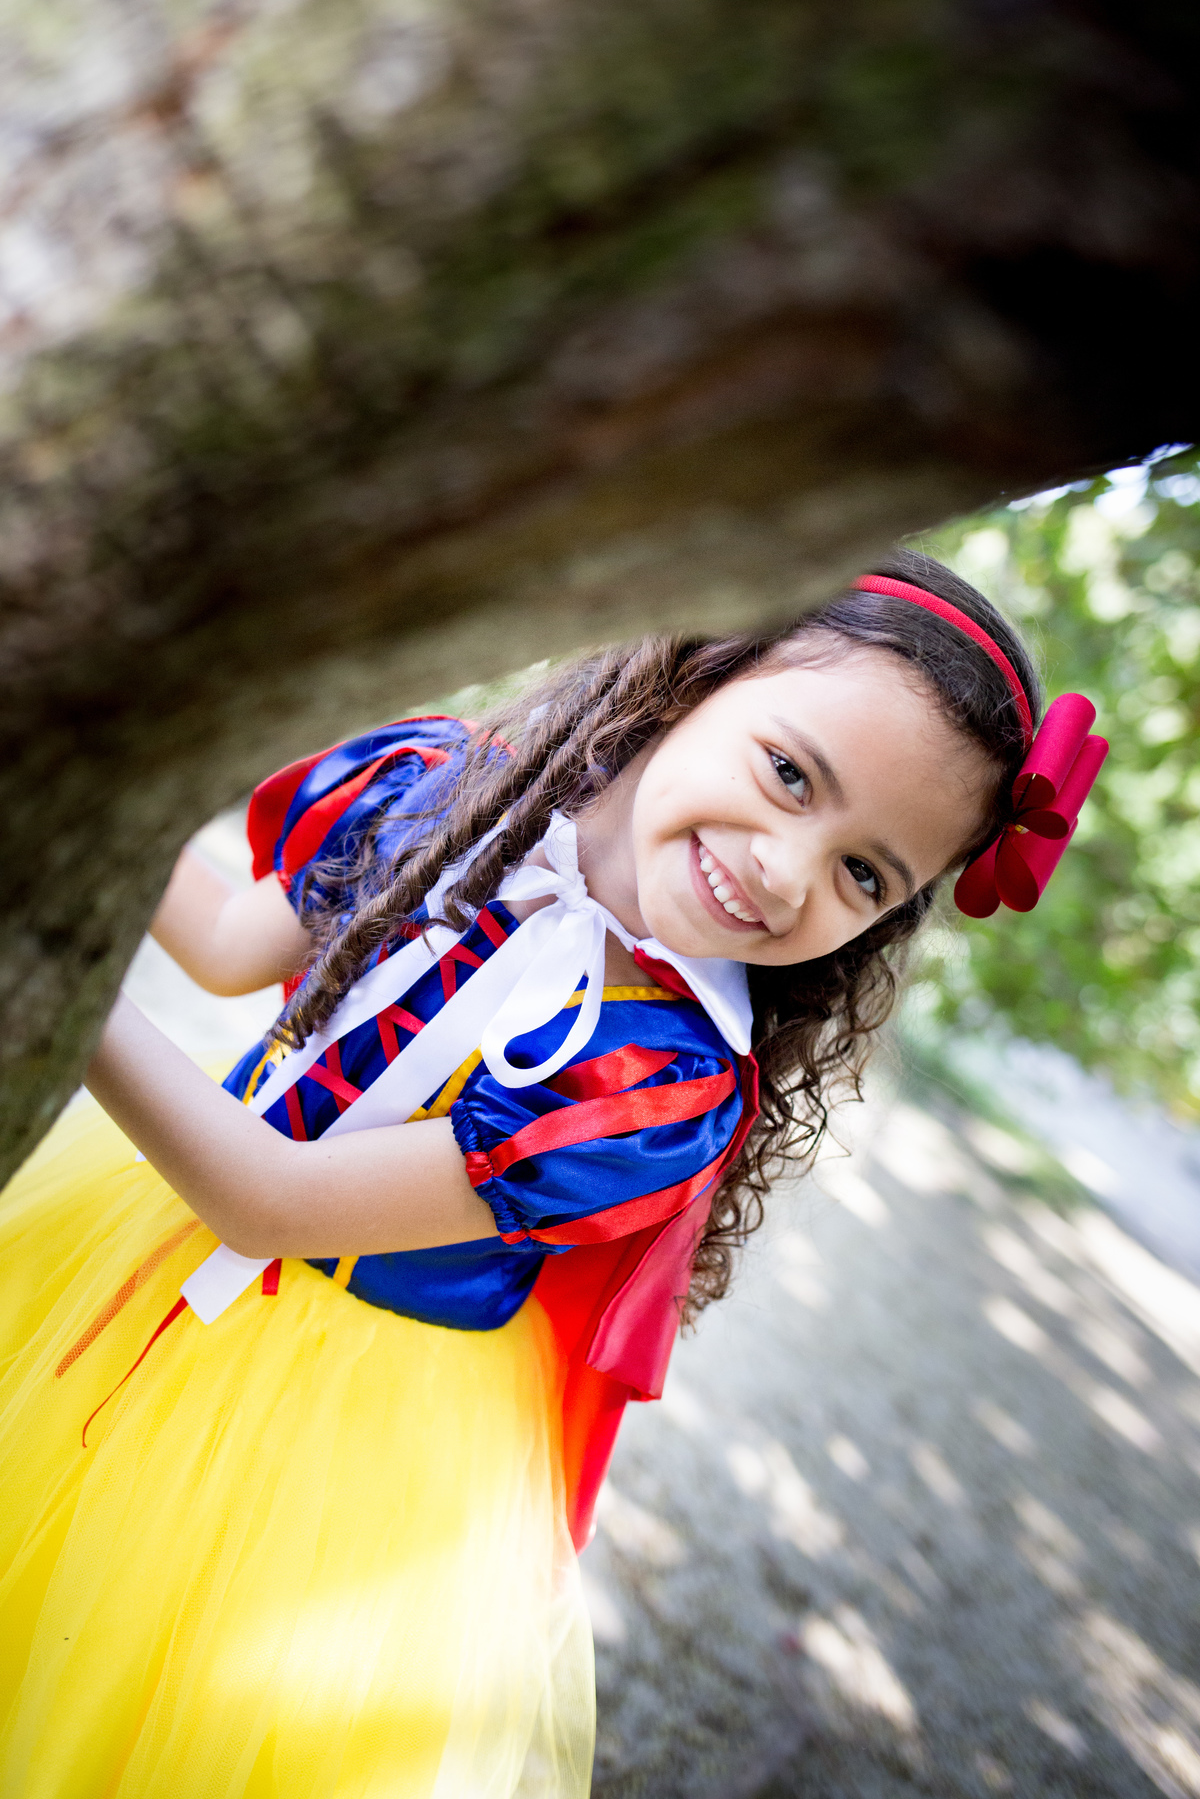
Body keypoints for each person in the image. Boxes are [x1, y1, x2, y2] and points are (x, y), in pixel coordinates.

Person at [0, 550, 1104, 1798]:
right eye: (791, 774)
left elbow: (269, 1203)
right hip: (133, 1222)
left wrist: (42, 977)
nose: (789, 871)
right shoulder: (458, 792)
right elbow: (219, 943)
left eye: (866, 873)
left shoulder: (659, 1086)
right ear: (701, 669)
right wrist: (58, 792)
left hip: (336, 1411)